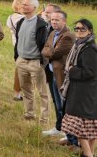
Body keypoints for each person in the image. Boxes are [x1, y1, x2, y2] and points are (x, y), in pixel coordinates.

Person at [61, 19, 97, 157]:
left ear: (90, 31)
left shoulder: (89, 49)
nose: (79, 31)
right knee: (89, 126)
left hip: (85, 93)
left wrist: (71, 70)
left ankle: (88, 155)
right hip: (82, 92)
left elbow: (90, 72)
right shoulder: (79, 45)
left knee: (82, 127)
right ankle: (89, 153)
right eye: (76, 29)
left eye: (82, 29)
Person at [13, 0, 50, 123]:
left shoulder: (41, 25)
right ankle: (29, 114)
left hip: (35, 62)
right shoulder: (20, 22)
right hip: (22, 61)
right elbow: (18, 41)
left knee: (42, 92)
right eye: (23, 4)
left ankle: (44, 118)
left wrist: (41, 63)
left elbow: (45, 44)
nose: (23, 6)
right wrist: (17, 57)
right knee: (26, 89)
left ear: (34, 8)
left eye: (26, 5)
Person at [41, 10, 75, 137]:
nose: (54, 22)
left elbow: (55, 53)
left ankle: (68, 133)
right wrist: (49, 50)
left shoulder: (68, 35)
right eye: (52, 19)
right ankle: (59, 127)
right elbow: (44, 49)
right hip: (52, 73)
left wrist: (49, 50)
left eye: (57, 20)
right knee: (57, 103)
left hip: (62, 75)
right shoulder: (53, 32)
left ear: (64, 21)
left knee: (64, 104)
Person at [7, 0, 25, 101]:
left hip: (16, 46)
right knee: (20, 71)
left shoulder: (10, 17)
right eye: (24, 5)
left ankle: (18, 93)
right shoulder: (19, 18)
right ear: (19, 6)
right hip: (22, 46)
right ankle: (17, 93)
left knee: (20, 70)